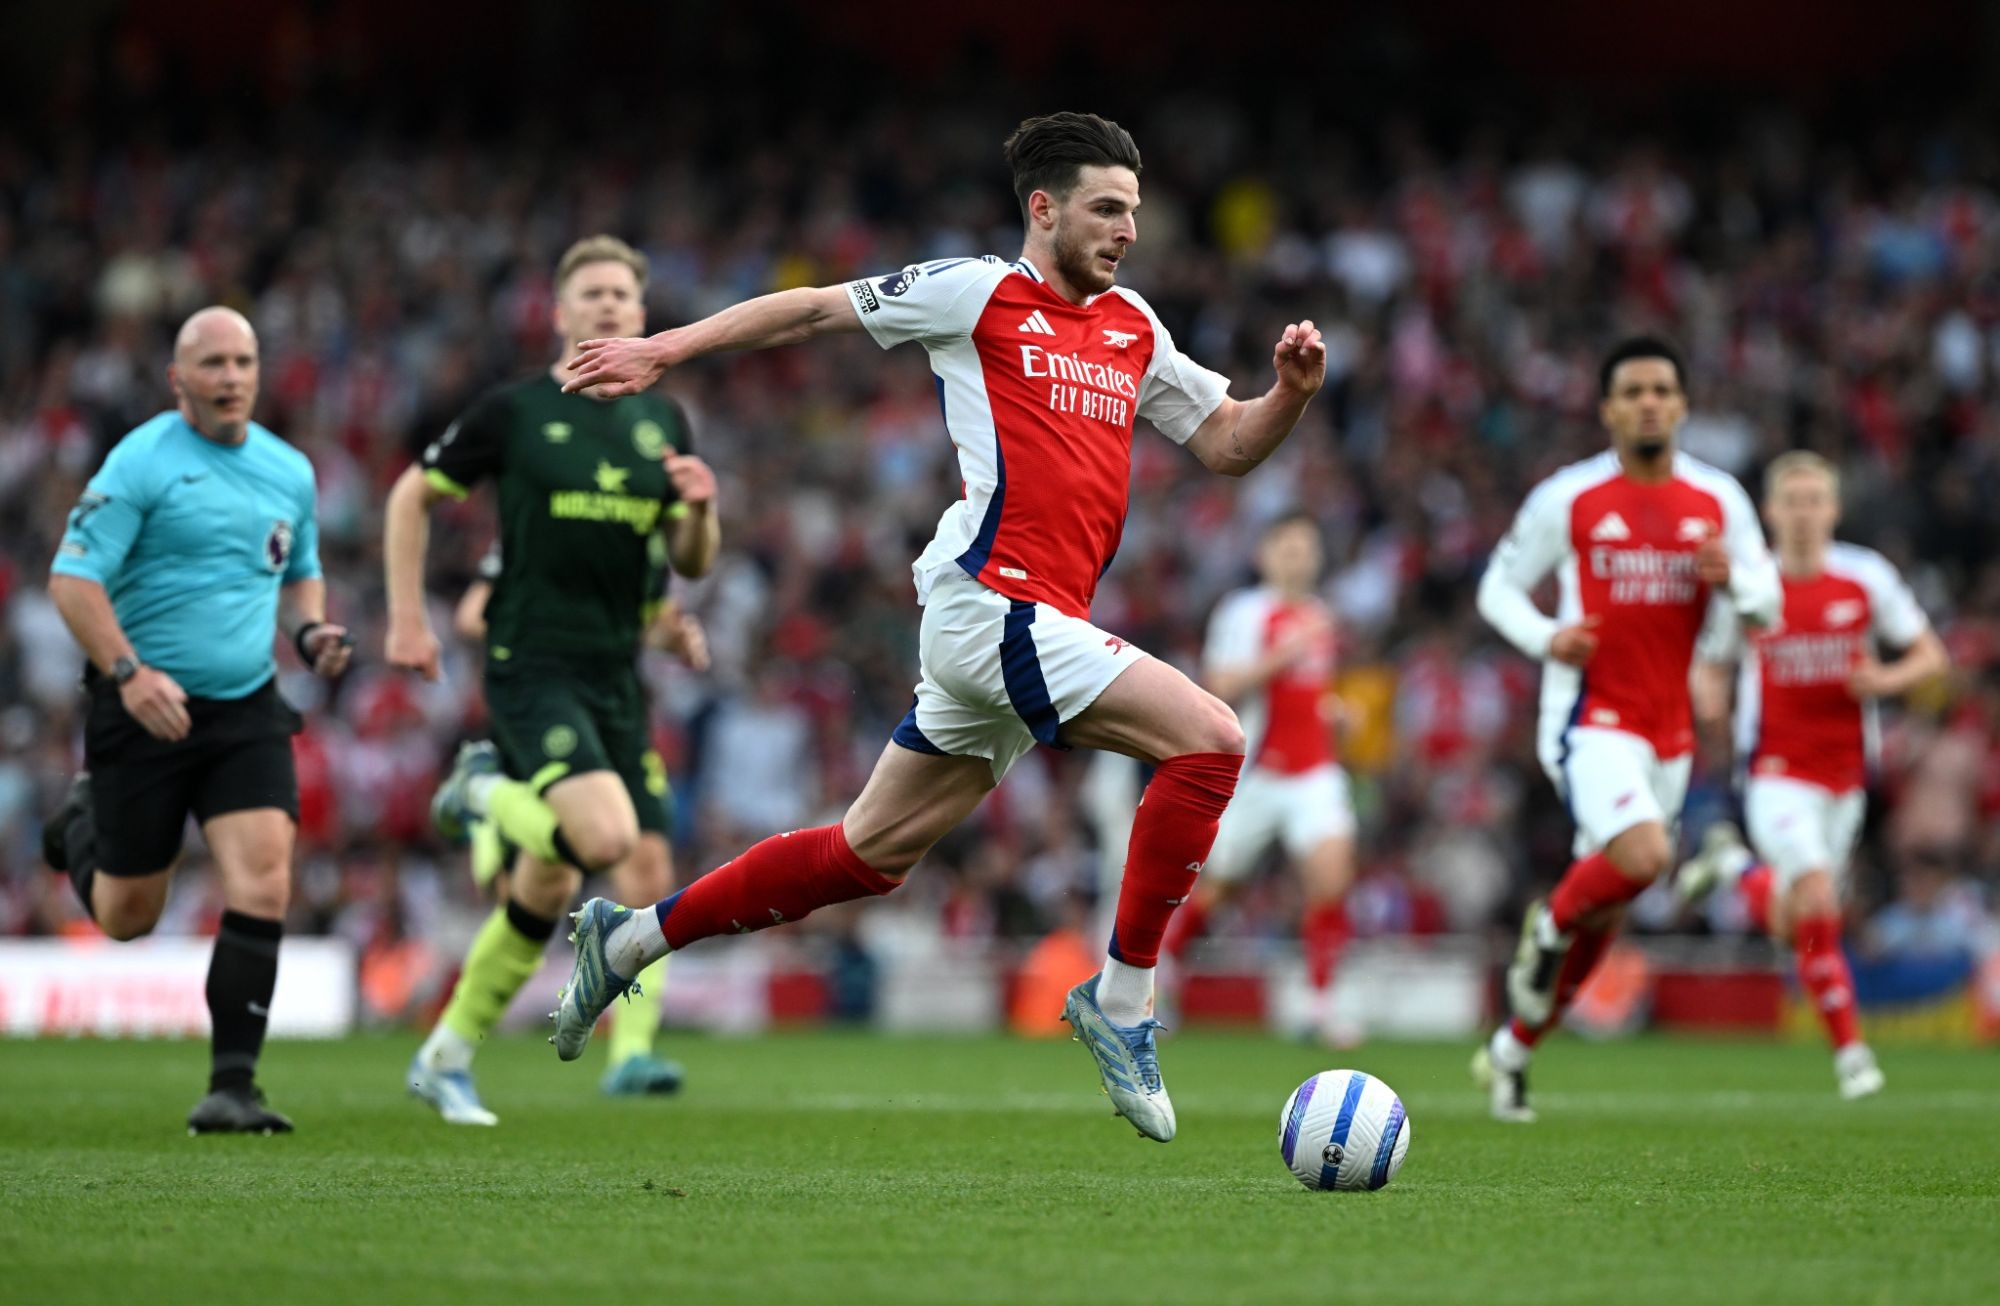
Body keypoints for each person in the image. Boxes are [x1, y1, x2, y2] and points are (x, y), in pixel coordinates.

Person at [550, 111, 1326, 1144]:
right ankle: (1124, 999)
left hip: (1030, 628)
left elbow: (1226, 442)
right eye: (1106, 209)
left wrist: (1289, 396)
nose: (1128, 230)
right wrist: (665, 346)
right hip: (988, 604)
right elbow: (814, 311)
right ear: (1043, 209)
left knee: (863, 856)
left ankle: (630, 939)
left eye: (1133, 212)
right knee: (1212, 738)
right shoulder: (977, 293)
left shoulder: (1134, 325)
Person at [383, 235, 719, 1125]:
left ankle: (445, 1056)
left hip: (617, 677)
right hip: (533, 664)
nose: (608, 304)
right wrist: (409, 617)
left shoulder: (663, 421)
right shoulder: (517, 412)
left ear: (642, 314)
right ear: (562, 312)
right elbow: (412, 496)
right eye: (591, 293)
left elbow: (689, 560)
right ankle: (481, 788)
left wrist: (701, 508)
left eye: (622, 294)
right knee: (605, 837)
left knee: (566, 879)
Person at [42, 306, 352, 1134]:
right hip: (144, 704)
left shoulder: (289, 470)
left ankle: (232, 1088)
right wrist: (129, 673)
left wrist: (310, 632)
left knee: (265, 878)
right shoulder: (140, 461)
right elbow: (72, 580)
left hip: (245, 705)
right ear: (178, 379)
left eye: (243, 361)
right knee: (127, 917)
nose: (231, 377)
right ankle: (80, 823)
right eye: (213, 364)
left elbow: (299, 572)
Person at [1470, 336, 1779, 1123]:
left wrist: (1734, 583)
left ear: (1682, 405)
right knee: (1644, 857)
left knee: (1609, 909)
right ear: (1608, 409)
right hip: (1589, 716)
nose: (1648, 403)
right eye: (1633, 391)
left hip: (1670, 730)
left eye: (1661, 390)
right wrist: (1546, 637)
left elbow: (1769, 602)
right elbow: (1497, 588)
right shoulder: (1569, 497)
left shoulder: (1718, 500)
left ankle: (1512, 1051)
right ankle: (1546, 924)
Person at [1677, 451, 1947, 1099]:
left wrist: (1883, 679)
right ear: (1770, 512)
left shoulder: (1865, 577)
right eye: (1791, 501)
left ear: (1834, 509)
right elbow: (1709, 662)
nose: (1802, 513)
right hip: (1776, 770)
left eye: (1814, 500)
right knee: (1820, 898)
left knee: (1792, 919)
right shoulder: (1752, 585)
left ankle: (1732, 866)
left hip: (1845, 777)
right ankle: (1853, 1056)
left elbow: (1930, 656)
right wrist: (1711, 704)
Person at [450, 538, 710, 1094]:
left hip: (617, 716)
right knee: (526, 896)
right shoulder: (544, 515)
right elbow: (472, 616)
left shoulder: (646, 535)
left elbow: (649, 618)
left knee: (648, 873)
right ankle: (483, 796)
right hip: (543, 717)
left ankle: (631, 1054)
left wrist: (669, 637)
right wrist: (560, 630)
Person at [1162, 512, 1358, 1043]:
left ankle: (1321, 1005)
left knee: (1332, 878)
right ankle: (1164, 973)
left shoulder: (1319, 615)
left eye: (1307, 548)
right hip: (1255, 775)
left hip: (1315, 771)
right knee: (1219, 888)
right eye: (1288, 547)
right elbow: (1219, 685)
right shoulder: (1245, 612)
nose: (1299, 557)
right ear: (1265, 555)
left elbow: (1306, 693)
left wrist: (1333, 712)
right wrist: (1284, 654)